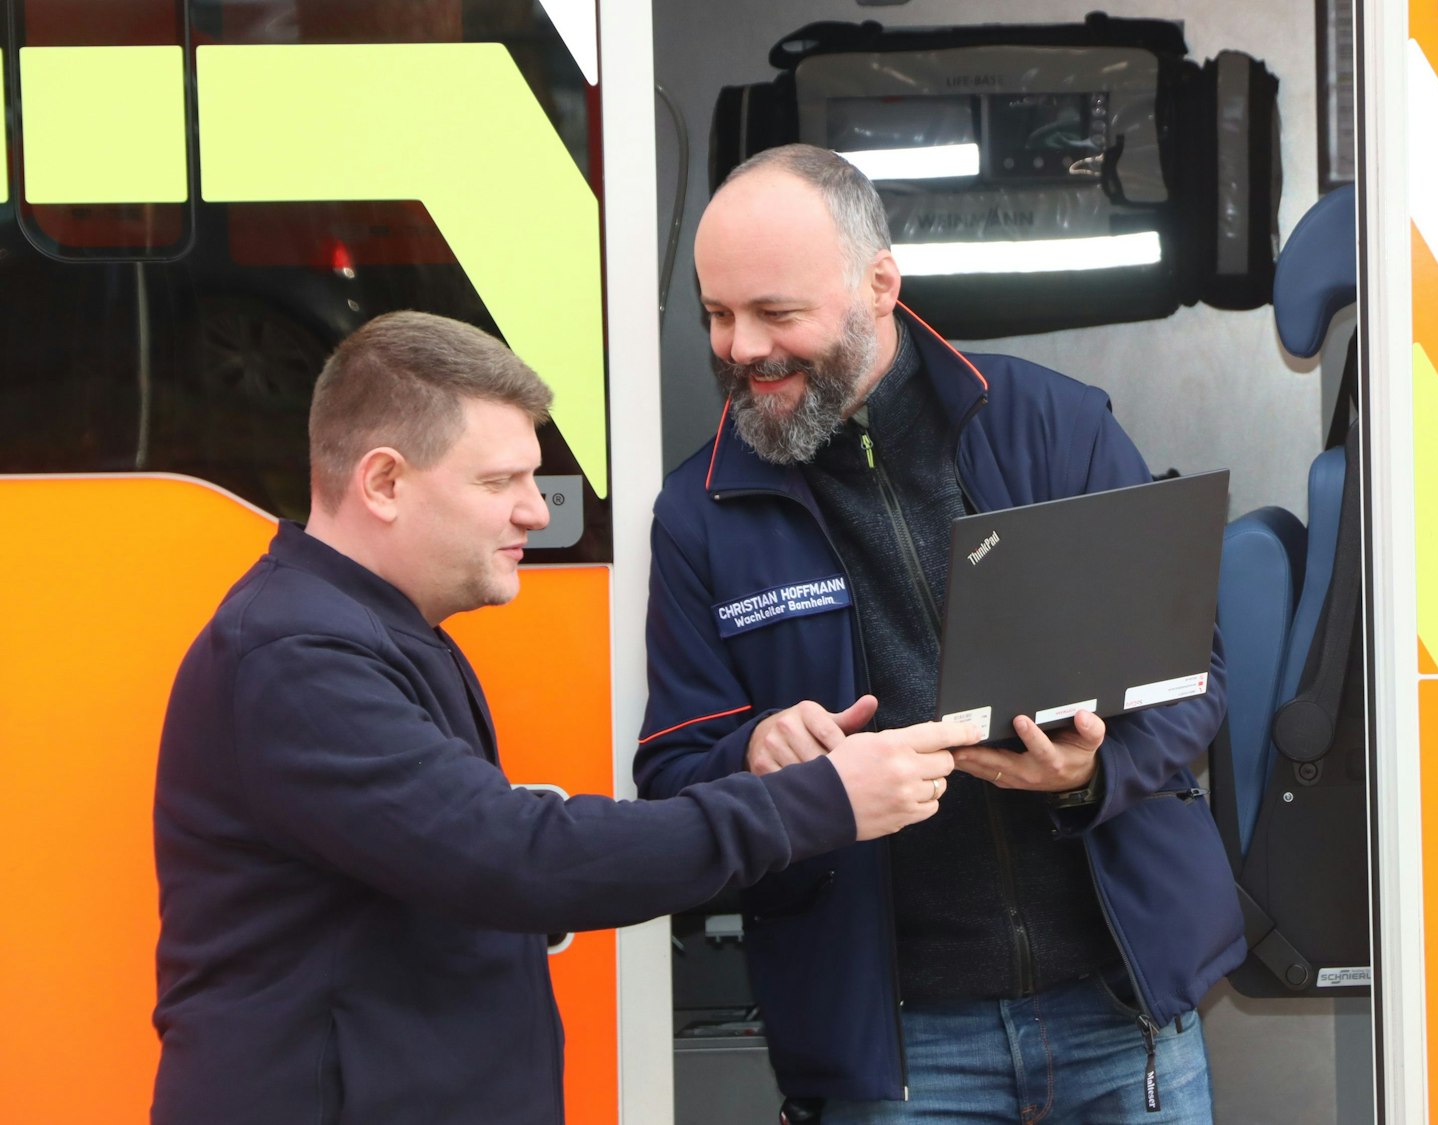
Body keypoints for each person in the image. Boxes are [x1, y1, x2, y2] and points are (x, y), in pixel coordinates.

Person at [151, 311, 977, 1124]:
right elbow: (517, 857)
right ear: (383, 482)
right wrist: (821, 800)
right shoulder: (295, 656)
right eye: (498, 481)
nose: (536, 512)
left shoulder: (368, 635)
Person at [637, 145, 1245, 1123]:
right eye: (716, 314)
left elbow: (1191, 678)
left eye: (774, 313)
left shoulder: (1053, 426)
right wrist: (752, 753)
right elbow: (670, 774)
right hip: (897, 1051)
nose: (741, 347)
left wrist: (1086, 775)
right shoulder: (701, 510)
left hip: (1117, 1009)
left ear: (878, 286)